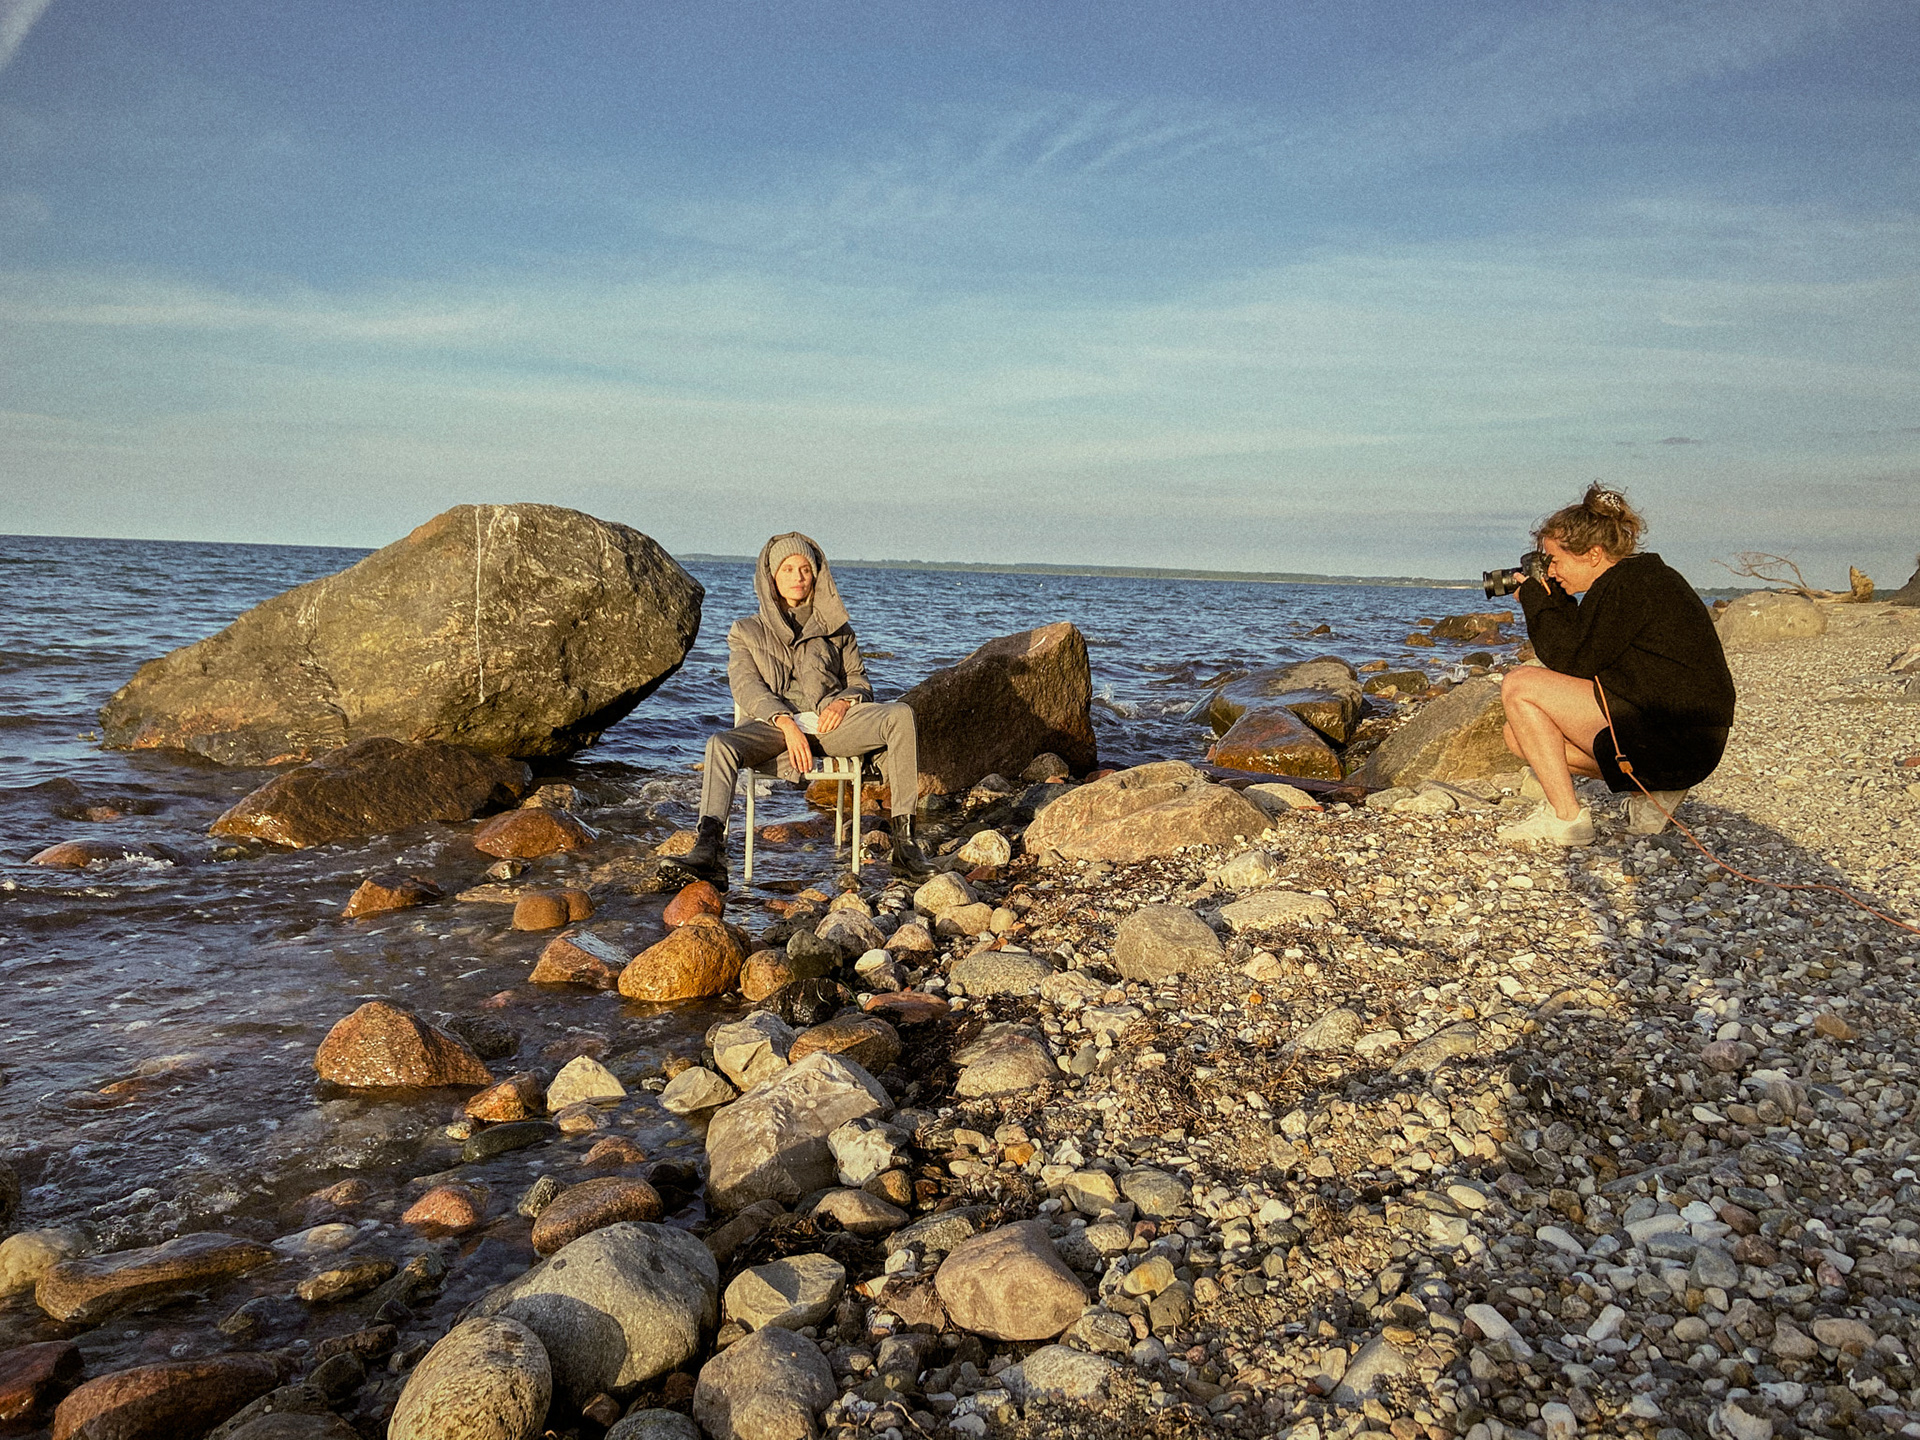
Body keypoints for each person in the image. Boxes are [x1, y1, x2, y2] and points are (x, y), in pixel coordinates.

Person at [673, 532, 932, 889]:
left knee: (900, 714)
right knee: (720, 745)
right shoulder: (746, 631)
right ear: (771, 578)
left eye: (805, 569)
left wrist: (844, 701)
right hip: (773, 728)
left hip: (831, 725)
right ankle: (708, 851)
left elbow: (859, 680)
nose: (798, 577)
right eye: (788, 569)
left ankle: (905, 846)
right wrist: (785, 721)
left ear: (816, 575)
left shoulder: (837, 629)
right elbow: (747, 687)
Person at [1496, 485, 1736, 846]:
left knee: (1520, 684)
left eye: (1554, 561)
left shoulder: (1629, 586)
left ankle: (1567, 821)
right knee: (1518, 737)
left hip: (1678, 740)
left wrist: (1535, 598)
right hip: (1688, 740)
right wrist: (1549, 596)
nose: (1551, 571)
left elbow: (1572, 660)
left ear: (1593, 553)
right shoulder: (1640, 578)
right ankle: (1653, 792)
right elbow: (1581, 644)